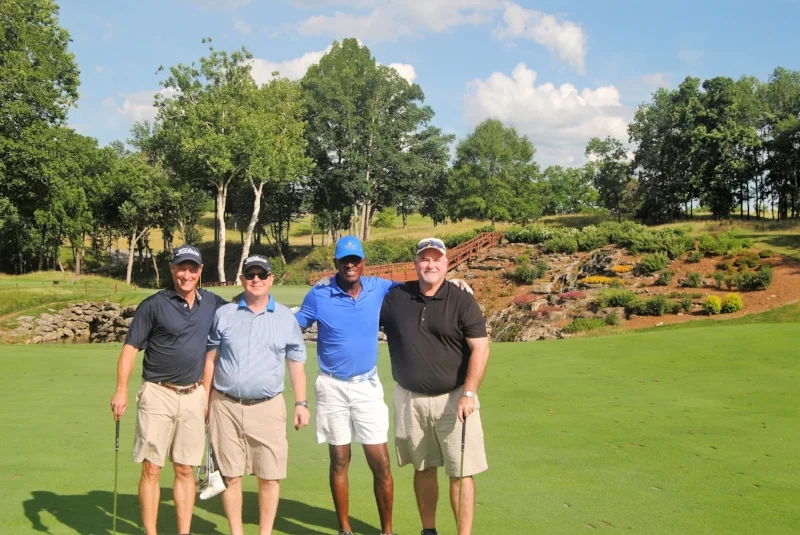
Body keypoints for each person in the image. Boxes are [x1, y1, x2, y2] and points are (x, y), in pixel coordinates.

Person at [110, 245, 230, 535]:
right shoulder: (153, 305)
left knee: (185, 469)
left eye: (192, 269)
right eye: (181, 268)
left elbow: (243, 312)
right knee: (152, 468)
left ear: (200, 271)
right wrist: (121, 390)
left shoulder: (213, 303)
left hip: (194, 396)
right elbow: (130, 349)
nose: (186, 275)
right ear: (172, 269)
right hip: (157, 393)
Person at [379, 237, 490, 535]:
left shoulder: (462, 300)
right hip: (410, 400)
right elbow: (361, 294)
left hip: (455, 400)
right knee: (423, 467)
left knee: (461, 471)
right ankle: (429, 530)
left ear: (446, 263)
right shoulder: (396, 298)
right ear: (415, 263)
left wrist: (469, 393)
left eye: (436, 259)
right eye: (424, 259)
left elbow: (480, 348)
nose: (430, 265)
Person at [204, 254, 310, 535]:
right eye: (250, 275)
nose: (256, 280)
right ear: (242, 279)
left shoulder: (285, 318)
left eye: (261, 274)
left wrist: (301, 403)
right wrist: (205, 400)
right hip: (225, 405)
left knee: (269, 476)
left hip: (268, 407)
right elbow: (211, 360)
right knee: (231, 475)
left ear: (270, 279)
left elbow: (296, 363)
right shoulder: (224, 314)